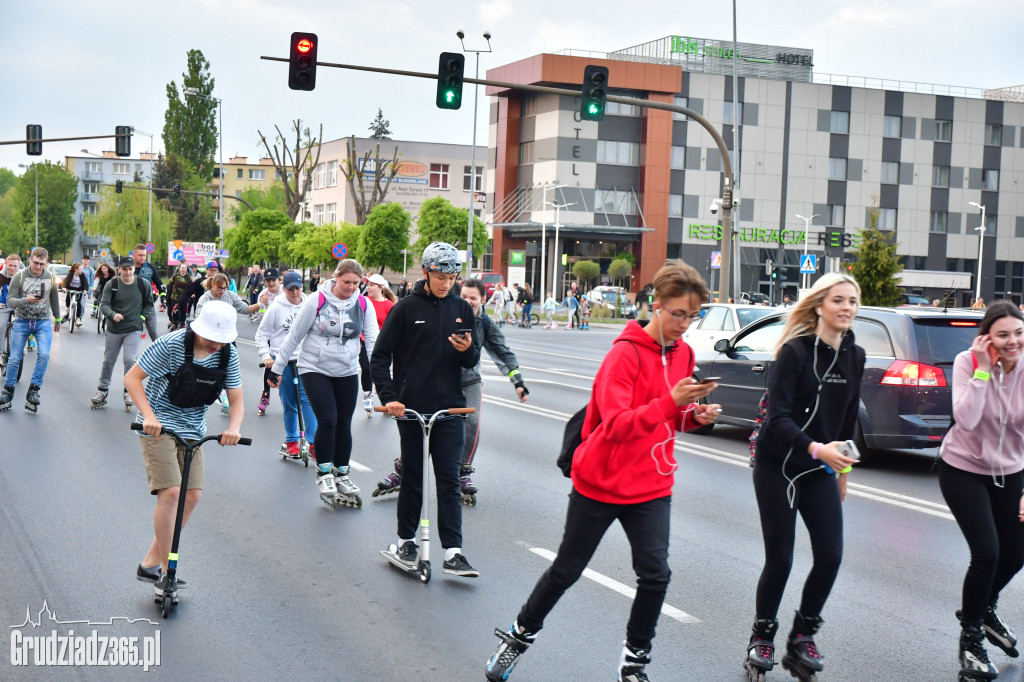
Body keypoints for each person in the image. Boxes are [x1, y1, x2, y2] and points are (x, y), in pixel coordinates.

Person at [484, 261, 721, 682]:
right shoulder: (624, 355)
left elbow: (671, 419)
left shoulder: (683, 353)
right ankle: (519, 636)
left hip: (652, 483)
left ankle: (634, 662)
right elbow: (617, 425)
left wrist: (695, 416)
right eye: (678, 313)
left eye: (693, 315)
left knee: (656, 574)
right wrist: (671, 404)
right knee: (567, 570)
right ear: (656, 305)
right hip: (602, 481)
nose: (685, 324)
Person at [744, 273, 863, 682]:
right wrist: (816, 449)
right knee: (781, 558)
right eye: (838, 300)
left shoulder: (855, 355)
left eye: (852, 301)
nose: (847, 307)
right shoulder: (793, 353)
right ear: (819, 307)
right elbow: (776, 419)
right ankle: (762, 636)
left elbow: (846, 420)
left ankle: (802, 636)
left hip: (820, 470)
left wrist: (841, 470)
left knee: (830, 555)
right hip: (777, 466)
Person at [370, 242, 481, 577]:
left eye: (452, 276)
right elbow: (379, 357)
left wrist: (467, 349)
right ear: (427, 272)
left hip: (451, 410)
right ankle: (406, 541)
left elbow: (472, 359)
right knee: (415, 477)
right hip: (412, 409)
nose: (447, 283)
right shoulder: (404, 309)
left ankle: (454, 552)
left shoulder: (462, 307)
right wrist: (390, 397)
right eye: (441, 276)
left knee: (448, 480)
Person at [124, 300, 244, 600]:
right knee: (172, 493)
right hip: (159, 426)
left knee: (192, 496)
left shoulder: (228, 353)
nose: (217, 345)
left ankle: (150, 563)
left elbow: (237, 399)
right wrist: (149, 416)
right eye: (211, 339)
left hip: (193, 431)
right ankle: (167, 571)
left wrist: (234, 427)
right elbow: (132, 378)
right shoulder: (171, 345)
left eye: (222, 340)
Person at [375, 278, 528, 499]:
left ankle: (463, 471)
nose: (468, 301)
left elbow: (502, 351)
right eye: (464, 296)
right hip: (440, 380)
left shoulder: (484, 322)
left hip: (469, 381)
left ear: (483, 299)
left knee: (472, 422)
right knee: (422, 423)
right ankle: (403, 468)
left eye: (473, 298)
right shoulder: (445, 311)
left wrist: (518, 382)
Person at [938, 301, 1024, 680]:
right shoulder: (966, 362)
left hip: (1012, 470)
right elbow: (967, 420)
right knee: (987, 552)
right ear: (987, 337)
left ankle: (984, 608)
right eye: (1003, 334)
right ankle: (970, 639)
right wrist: (985, 372)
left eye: (1019, 333)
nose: (1013, 342)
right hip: (963, 468)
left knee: (1017, 551)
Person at [268, 259, 378, 507]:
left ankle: (342, 473)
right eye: (346, 282)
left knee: (344, 422)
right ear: (336, 277)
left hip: (347, 369)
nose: (351, 287)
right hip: (314, 367)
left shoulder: (363, 303)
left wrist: (379, 377)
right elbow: (295, 335)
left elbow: (372, 341)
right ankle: (324, 472)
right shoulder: (316, 300)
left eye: (356, 283)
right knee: (328, 419)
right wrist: (277, 368)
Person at [255, 271, 318, 459]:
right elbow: (261, 335)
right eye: (291, 289)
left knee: (308, 400)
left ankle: (313, 442)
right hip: (282, 360)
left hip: (305, 360)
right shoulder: (276, 308)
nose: (295, 292)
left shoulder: (310, 305)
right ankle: (291, 441)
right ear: (284, 289)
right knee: (290, 402)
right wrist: (267, 356)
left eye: (298, 288)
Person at [0, 247, 61, 413]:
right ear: (30, 260)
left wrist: (58, 318)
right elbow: (10, 301)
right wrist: (25, 300)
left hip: (42, 322)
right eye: (35, 263)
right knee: (14, 358)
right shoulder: (19, 277)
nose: (38, 267)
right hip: (22, 321)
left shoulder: (50, 277)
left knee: (45, 355)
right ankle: (8, 391)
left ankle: (34, 390)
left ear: (46, 263)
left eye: (42, 264)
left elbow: (54, 298)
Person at [91, 257, 155, 409]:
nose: (127, 272)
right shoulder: (112, 284)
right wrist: (112, 315)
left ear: (134, 269)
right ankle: (102, 390)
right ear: (119, 269)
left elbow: (149, 304)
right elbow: (104, 304)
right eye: (124, 269)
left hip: (133, 329)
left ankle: (128, 390)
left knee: (130, 359)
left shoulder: (142, 284)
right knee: (108, 361)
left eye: (130, 269)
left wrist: (141, 318)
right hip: (114, 328)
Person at [360, 273, 397, 413]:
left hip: (382, 344)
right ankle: (367, 396)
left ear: (381, 288)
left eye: (372, 285)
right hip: (364, 340)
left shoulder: (389, 305)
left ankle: (385, 399)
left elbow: (394, 326)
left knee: (382, 370)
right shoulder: (363, 301)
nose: (368, 287)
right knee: (366, 367)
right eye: (367, 284)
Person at [254, 267, 283, 415]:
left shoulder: (286, 291)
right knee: (269, 365)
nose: (271, 283)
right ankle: (265, 396)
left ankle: (291, 397)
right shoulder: (263, 295)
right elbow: (261, 319)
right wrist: (262, 305)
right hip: (271, 335)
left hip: (285, 334)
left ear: (279, 280)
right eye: (268, 281)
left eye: (273, 280)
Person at [131, 244, 166, 332]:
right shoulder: (127, 267)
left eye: (144, 255)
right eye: (140, 255)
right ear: (133, 255)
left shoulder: (150, 268)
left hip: (147, 304)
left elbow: (160, 285)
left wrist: (163, 302)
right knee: (131, 333)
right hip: (130, 305)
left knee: (155, 334)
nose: (142, 258)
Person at [166, 263, 192, 329]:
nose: (183, 269)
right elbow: (169, 285)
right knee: (175, 310)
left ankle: (182, 323)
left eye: (185, 268)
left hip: (184, 297)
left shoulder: (189, 277)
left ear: (186, 269)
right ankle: (175, 323)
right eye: (182, 268)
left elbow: (191, 287)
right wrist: (168, 295)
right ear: (179, 268)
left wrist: (191, 294)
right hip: (175, 296)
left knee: (183, 310)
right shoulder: (175, 276)